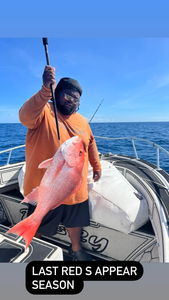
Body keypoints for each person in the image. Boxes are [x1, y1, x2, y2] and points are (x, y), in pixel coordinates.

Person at [19, 65, 102, 261]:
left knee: (75, 220)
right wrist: (44, 90)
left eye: (76, 99)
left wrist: (96, 165)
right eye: (67, 95)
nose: (71, 101)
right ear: (57, 94)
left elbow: (90, 144)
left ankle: (76, 249)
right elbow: (24, 116)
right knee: (38, 221)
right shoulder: (43, 111)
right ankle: (30, 250)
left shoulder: (82, 121)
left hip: (75, 187)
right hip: (46, 187)